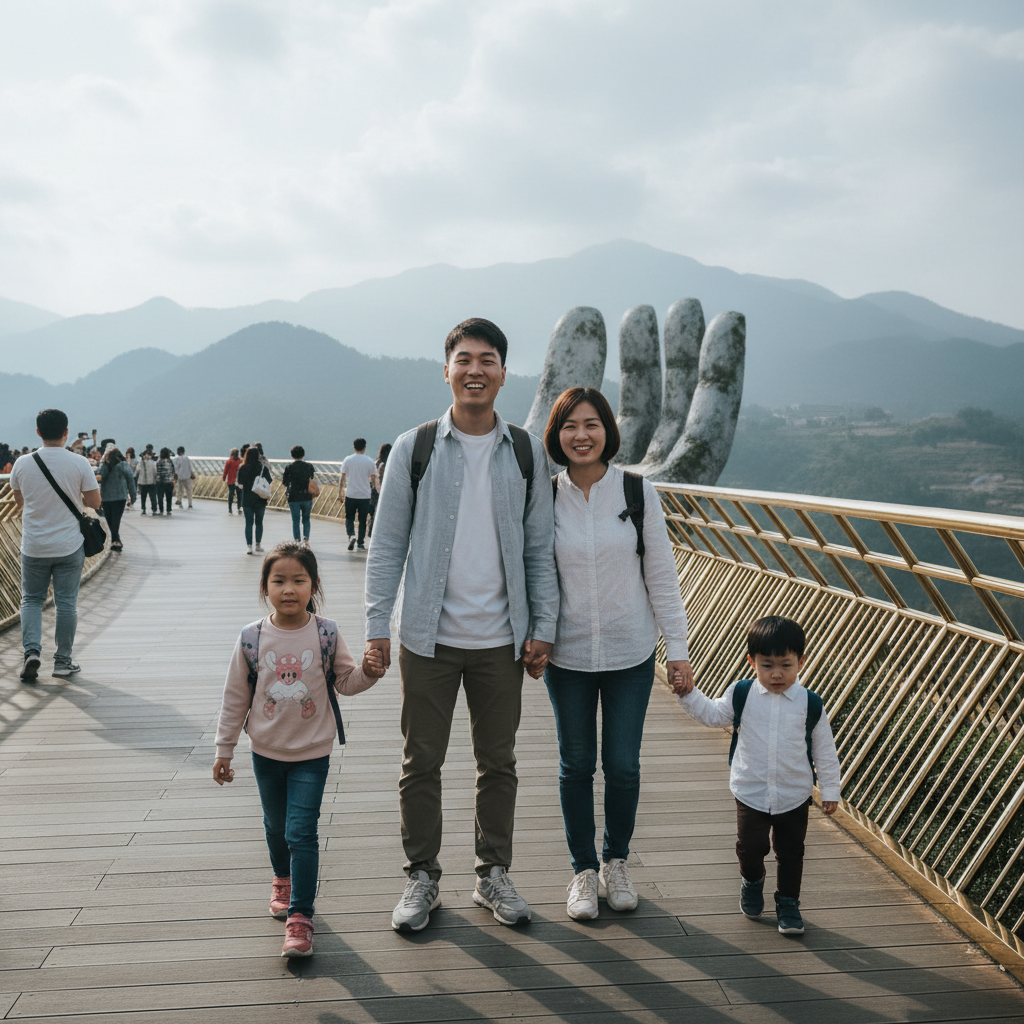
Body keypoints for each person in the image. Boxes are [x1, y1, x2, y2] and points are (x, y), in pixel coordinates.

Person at [365, 317, 559, 933]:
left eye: (489, 360)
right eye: (464, 359)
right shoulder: (415, 447)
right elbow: (386, 543)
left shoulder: (527, 450)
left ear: (504, 372)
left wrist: (543, 626)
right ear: (446, 369)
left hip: (502, 639)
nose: (476, 370)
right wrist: (376, 626)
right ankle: (421, 876)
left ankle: (491, 873)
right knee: (421, 760)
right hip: (427, 636)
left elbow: (538, 549)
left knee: (497, 762)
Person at [540, 388, 692, 921]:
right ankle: (583, 871)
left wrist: (678, 649)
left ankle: (616, 862)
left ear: (608, 430)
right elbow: (532, 572)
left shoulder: (636, 490)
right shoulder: (543, 495)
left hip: (630, 651)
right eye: (569, 426)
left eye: (592, 424)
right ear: (556, 435)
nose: (581, 435)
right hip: (567, 654)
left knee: (623, 766)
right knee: (576, 765)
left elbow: (662, 577)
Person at [212, 541, 386, 957]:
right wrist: (225, 749)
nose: (288, 589)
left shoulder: (325, 633)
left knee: (300, 832)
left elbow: (346, 681)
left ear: (314, 586)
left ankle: (300, 917)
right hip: (266, 752)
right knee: (275, 828)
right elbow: (235, 696)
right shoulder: (252, 638)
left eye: (298, 581)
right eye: (279, 581)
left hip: (312, 751)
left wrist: (369, 673)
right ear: (265, 586)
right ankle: (282, 878)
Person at [674, 615, 841, 936]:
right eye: (766, 665)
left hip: (794, 794)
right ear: (751, 662)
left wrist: (830, 789)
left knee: (791, 852)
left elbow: (825, 752)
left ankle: (788, 903)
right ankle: (752, 881)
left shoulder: (811, 705)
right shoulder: (742, 693)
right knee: (750, 848)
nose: (776, 674)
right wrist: (687, 695)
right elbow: (712, 714)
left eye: (785, 665)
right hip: (750, 791)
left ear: (801, 662)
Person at [9, 408, 101, 682]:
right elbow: (95, 503)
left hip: (34, 545)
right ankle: (62, 662)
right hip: (69, 546)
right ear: (66, 433)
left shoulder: (22, 464)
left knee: (32, 600)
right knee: (66, 603)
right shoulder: (80, 463)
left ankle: (31, 653)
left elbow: (19, 502)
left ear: (38, 432)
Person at [339, 439, 377, 551]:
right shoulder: (370, 461)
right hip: (365, 495)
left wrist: (339, 493)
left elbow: (342, 477)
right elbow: (373, 478)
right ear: (364, 447)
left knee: (349, 518)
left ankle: (351, 535)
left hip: (351, 494)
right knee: (362, 520)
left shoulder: (348, 460)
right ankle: (360, 543)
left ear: (353, 447)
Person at [98, 447, 137, 553]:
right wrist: (133, 496)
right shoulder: (124, 465)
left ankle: (115, 541)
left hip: (106, 498)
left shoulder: (105, 466)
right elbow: (130, 480)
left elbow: (100, 475)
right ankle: (116, 540)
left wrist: (103, 462)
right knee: (116, 520)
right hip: (120, 497)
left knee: (111, 521)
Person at [237, 445, 272, 554]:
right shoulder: (262, 468)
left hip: (247, 498)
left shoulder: (242, 468)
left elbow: (240, 482)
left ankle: (249, 546)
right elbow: (269, 481)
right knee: (259, 522)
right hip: (260, 498)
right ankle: (258, 545)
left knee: (248, 523)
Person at [282, 446, 316, 542]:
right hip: (307, 496)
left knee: (295, 520)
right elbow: (312, 479)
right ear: (303, 454)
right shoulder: (309, 466)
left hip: (293, 497)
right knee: (306, 519)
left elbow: (285, 482)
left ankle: (297, 541)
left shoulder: (289, 467)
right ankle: (306, 540)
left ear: (292, 455)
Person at [367, 442, 391, 539]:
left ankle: (371, 531)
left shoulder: (376, 463)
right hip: (383, 490)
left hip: (373, 491)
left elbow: (372, 478)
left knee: (374, 512)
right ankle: (378, 532)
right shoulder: (387, 464)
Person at [136, 450, 158, 515]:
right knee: (152, 496)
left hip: (143, 482)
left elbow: (137, 471)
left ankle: (144, 509)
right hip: (151, 482)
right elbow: (155, 472)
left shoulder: (141, 463)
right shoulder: (153, 463)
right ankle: (153, 509)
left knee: (144, 497)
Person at [155, 448, 176, 515]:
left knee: (160, 497)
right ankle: (168, 510)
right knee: (169, 497)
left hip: (160, 482)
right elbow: (173, 471)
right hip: (169, 482)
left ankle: (161, 510)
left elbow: (157, 472)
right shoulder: (170, 462)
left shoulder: (158, 462)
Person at [223, 448, 242, 515]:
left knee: (231, 494)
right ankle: (239, 508)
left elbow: (226, 470)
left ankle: (230, 508)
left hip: (231, 481)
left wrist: (224, 478)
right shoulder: (240, 461)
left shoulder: (229, 461)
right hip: (239, 481)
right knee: (239, 495)